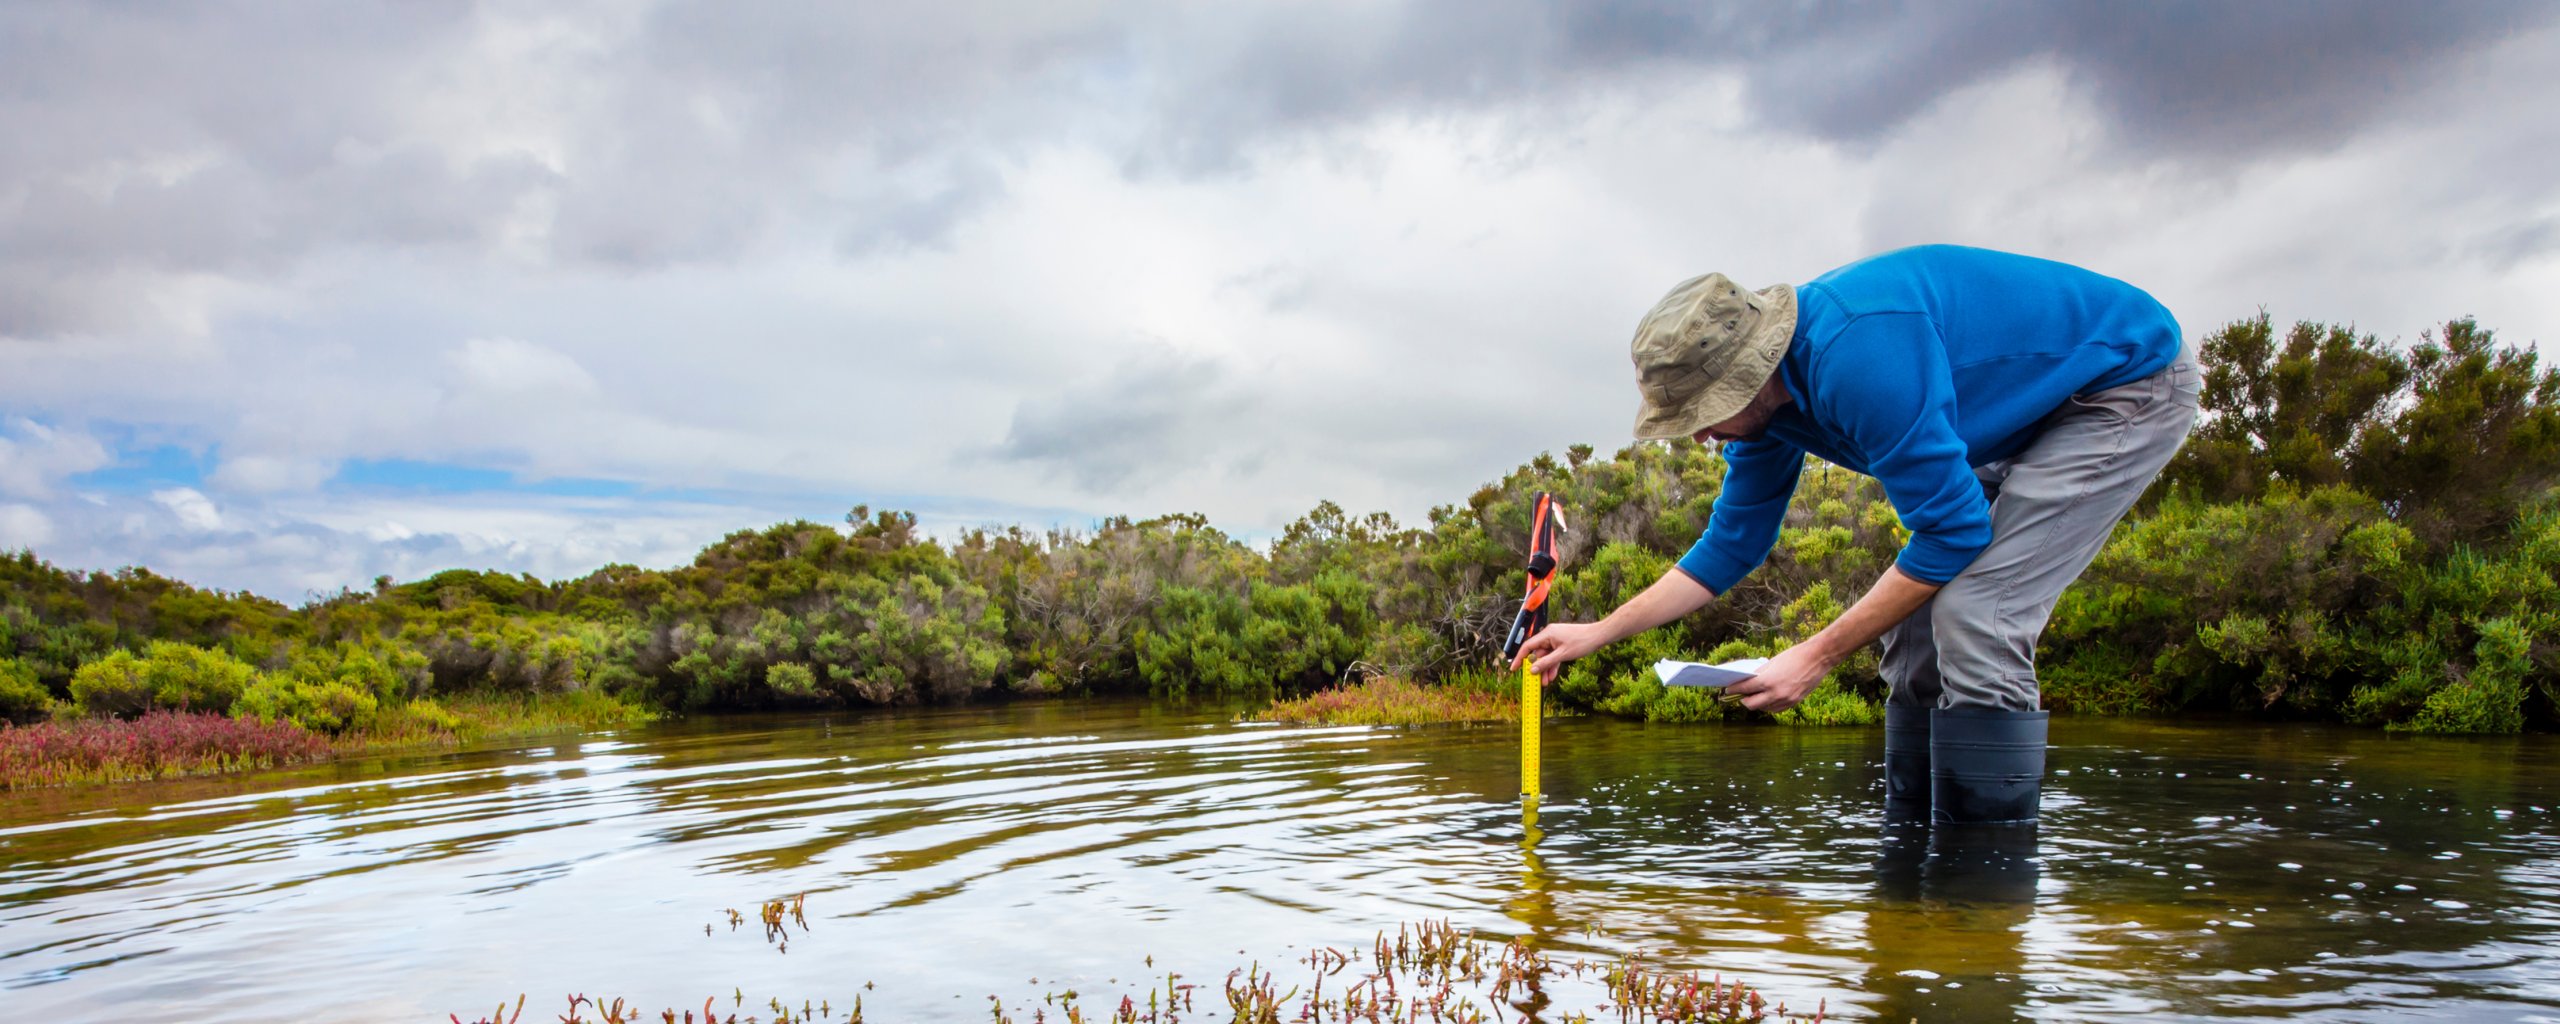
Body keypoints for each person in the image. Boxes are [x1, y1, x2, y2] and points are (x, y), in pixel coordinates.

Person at [1511, 244, 2198, 825]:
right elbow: (1733, 544)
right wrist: (1600, 631)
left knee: (1976, 612)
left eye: (1705, 410)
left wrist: (1815, 655)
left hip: (2120, 387)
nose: (1700, 432)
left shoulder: (1860, 357)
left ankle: (1980, 897)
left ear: (1751, 374)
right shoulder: (1769, 413)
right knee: (1916, 624)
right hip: (2021, 415)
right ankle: (1910, 871)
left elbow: (1953, 533)